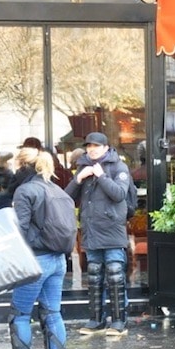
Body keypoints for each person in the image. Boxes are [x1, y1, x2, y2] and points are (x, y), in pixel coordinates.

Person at [5, 148, 72, 349]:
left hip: (35, 260)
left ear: (22, 165)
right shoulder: (58, 190)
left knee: (20, 315)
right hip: (58, 260)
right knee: (52, 313)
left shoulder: (24, 190)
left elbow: (21, 228)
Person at [65, 132, 131, 336]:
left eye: (96, 146)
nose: (91, 149)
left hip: (112, 229)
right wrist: (78, 178)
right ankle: (96, 320)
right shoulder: (82, 167)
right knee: (94, 276)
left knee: (114, 275)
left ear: (105, 147)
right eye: (89, 146)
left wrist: (101, 175)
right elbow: (66, 198)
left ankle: (119, 321)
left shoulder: (119, 166)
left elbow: (119, 194)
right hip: (92, 229)